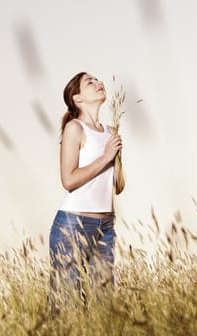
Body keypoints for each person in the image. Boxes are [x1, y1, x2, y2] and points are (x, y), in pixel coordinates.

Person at [49, 72, 125, 304]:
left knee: (104, 304)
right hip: (73, 224)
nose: (98, 83)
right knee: (67, 303)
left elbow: (119, 186)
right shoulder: (75, 128)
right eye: (89, 82)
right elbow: (68, 180)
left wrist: (117, 158)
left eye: (98, 80)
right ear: (77, 98)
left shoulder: (111, 132)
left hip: (105, 225)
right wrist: (105, 157)